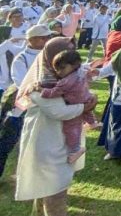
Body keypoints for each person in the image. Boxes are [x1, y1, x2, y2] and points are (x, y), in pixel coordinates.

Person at [14, 37, 98, 216]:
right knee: (54, 190)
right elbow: (58, 111)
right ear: (52, 57)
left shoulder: (68, 76)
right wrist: (87, 106)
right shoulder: (38, 84)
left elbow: (80, 92)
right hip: (46, 142)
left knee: (47, 188)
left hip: (59, 139)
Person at [0, 24, 54, 179]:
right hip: (22, 106)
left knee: (35, 141)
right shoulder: (21, 58)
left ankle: (29, 173)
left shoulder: (49, 56)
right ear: (33, 39)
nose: (47, 40)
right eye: (44, 38)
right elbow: (22, 84)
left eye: (48, 37)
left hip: (41, 105)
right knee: (8, 140)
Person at [37, 49, 99, 164]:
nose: (59, 72)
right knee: (88, 110)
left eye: (62, 68)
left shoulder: (66, 82)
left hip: (74, 105)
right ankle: (92, 122)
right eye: (56, 69)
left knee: (71, 129)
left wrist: (41, 90)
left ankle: (76, 150)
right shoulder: (80, 72)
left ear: (74, 65)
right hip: (86, 98)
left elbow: (53, 93)